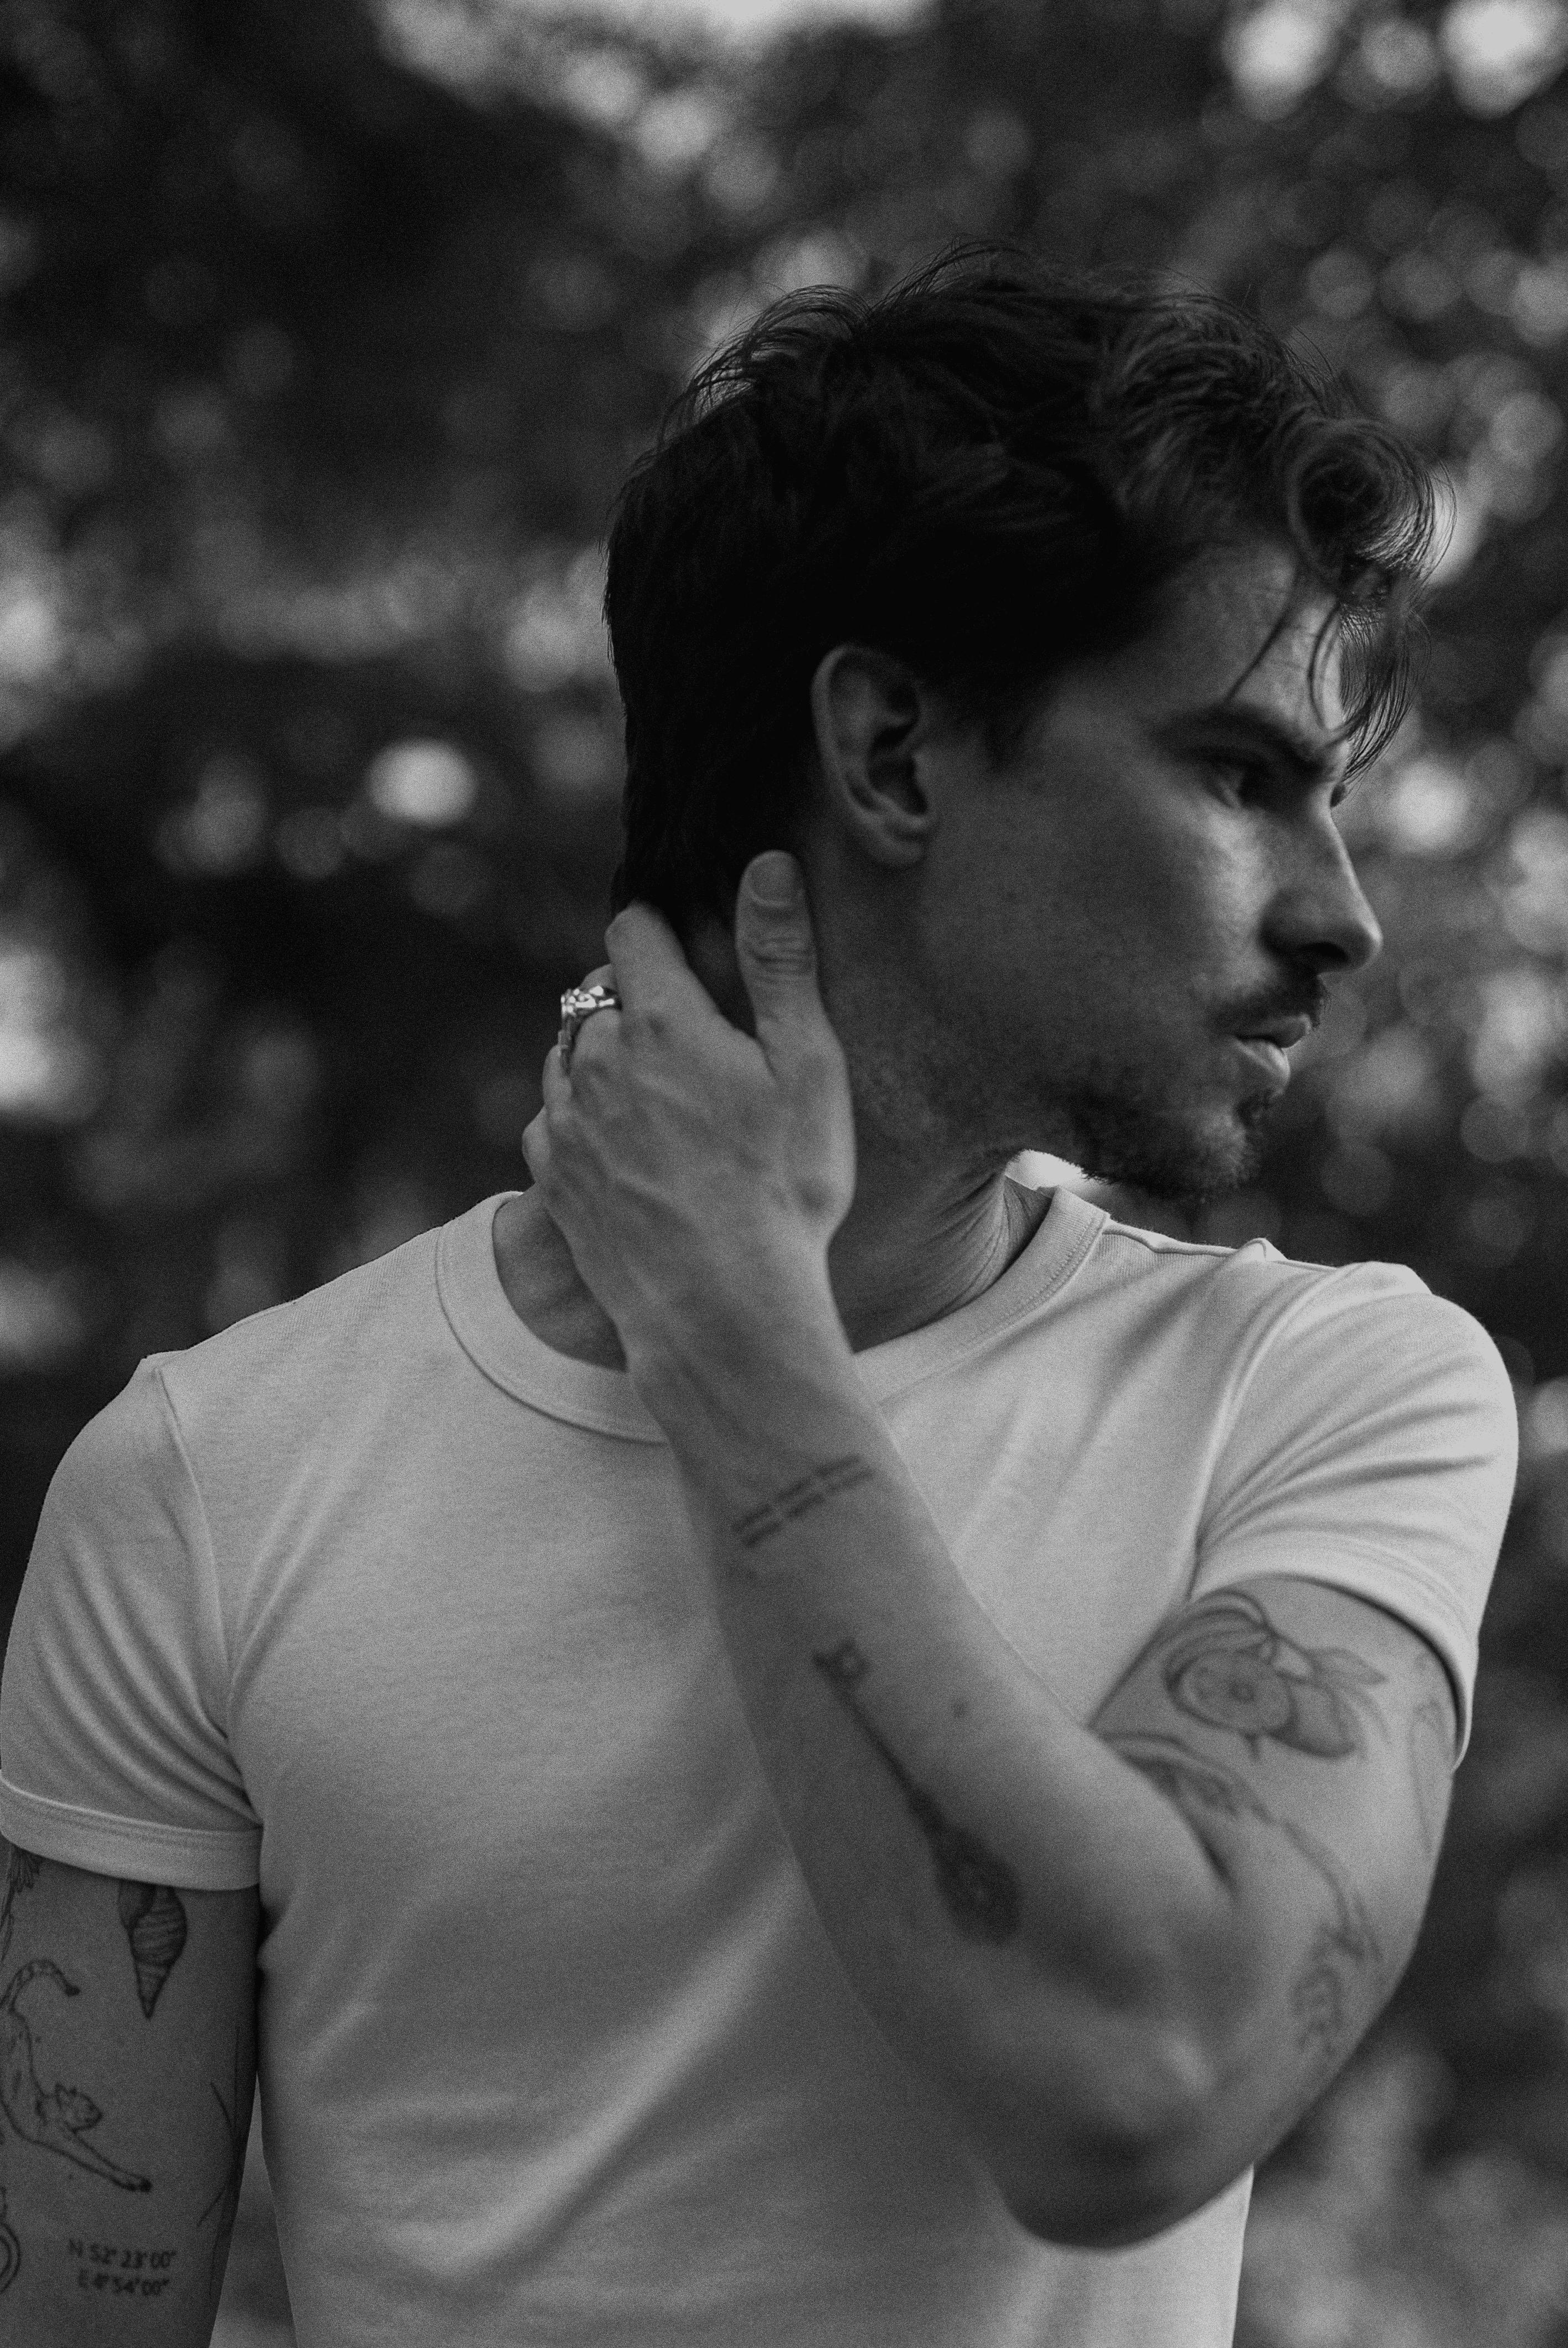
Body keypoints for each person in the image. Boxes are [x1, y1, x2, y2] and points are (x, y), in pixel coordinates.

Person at [0, 247, 1517, 2348]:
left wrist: (736, 1331)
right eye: (1241, 775)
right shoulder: (207, 1477)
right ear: (892, 750)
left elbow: (1138, 2086)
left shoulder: (1330, 1392)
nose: (1342, 918)